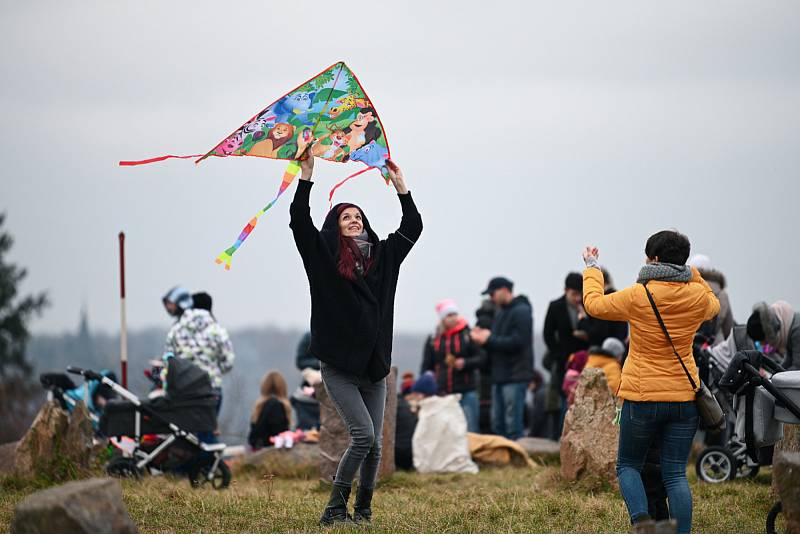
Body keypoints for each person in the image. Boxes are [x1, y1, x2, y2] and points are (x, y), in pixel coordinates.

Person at [290, 152, 422, 526]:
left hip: (375, 366)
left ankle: (362, 511)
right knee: (363, 436)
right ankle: (333, 510)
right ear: (336, 225)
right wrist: (307, 175)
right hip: (339, 366)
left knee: (377, 445)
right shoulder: (323, 257)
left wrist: (401, 186)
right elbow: (299, 222)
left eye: (358, 217)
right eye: (346, 216)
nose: (354, 220)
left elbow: (414, 224)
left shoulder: (384, 256)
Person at [581, 230, 720, 534]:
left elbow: (594, 304)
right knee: (675, 475)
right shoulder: (697, 297)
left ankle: (642, 522)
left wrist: (592, 268)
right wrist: (689, 270)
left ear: (654, 259)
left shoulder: (638, 295)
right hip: (684, 398)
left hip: (642, 397)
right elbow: (713, 301)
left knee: (628, 465)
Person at [470, 276, 534, 441]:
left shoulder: (521, 311)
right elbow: (498, 341)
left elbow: (519, 341)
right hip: (499, 375)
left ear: (505, 290)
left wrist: (488, 339)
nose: (491, 297)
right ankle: (503, 461)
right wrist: (483, 340)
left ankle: (516, 461)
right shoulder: (501, 312)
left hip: (515, 375)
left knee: (512, 424)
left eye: (492, 293)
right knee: (497, 423)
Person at [164, 291, 235, 416]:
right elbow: (228, 362)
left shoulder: (176, 329)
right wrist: (214, 370)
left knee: (185, 432)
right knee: (207, 430)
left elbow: (169, 359)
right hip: (211, 387)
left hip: (184, 389)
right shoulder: (217, 330)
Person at [421, 299, 486, 432]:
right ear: (443, 318)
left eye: (454, 314)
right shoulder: (434, 338)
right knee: (446, 431)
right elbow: (427, 365)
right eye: (449, 315)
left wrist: (465, 363)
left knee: (471, 428)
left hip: (466, 390)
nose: (453, 318)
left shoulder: (467, 335)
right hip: (442, 392)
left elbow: (482, 357)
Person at [542, 272, 590, 435]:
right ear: (565, 291)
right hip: (563, 362)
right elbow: (548, 334)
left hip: (585, 361)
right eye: (574, 294)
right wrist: (560, 355)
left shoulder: (588, 305)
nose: (577, 298)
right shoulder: (555, 306)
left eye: (580, 294)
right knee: (563, 400)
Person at [688, 254, 734, 344]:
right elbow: (728, 328)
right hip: (714, 347)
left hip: (688, 345)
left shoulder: (686, 289)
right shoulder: (722, 294)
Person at [746, 301, 800, 371]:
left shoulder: (796, 331)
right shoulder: (789, 328)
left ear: (767, 335)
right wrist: (775, 373)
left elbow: (797, 368)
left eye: (763, 341)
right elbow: (789, 361)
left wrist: (775, 377)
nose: (763, 345)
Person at [248, 371, 291, 450]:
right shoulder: (276, 406)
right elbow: (279, 433)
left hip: (257, 449)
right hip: (270, 451)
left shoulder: (260, 406)